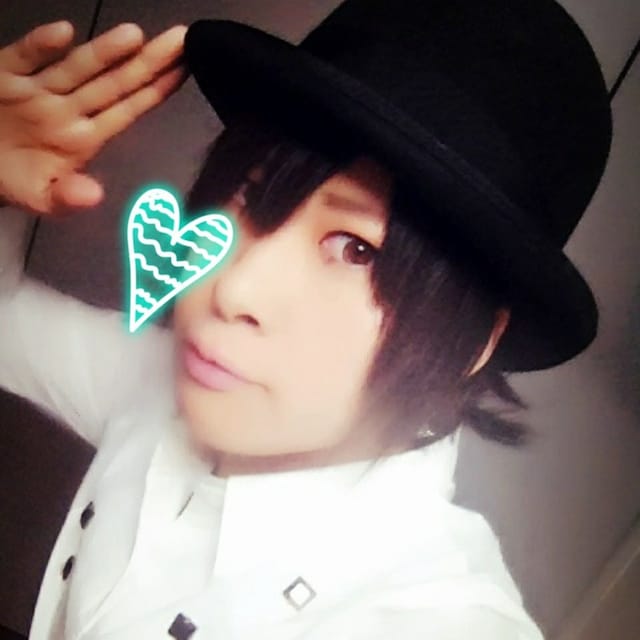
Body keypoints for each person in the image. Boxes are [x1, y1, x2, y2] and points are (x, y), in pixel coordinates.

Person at [0, 0, 611, 638]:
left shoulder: (437, 618)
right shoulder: (164, 385)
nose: (234, 286)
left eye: (356, 249)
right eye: (248, 195)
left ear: (474, 341)